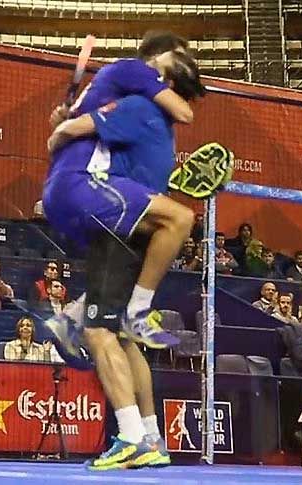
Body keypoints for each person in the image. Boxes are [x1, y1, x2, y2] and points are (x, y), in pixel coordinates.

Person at [42, 50, 206, 470]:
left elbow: (74, 129)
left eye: (158, 69)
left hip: (119, 223)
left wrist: (63, 125)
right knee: (127, 339)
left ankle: (131, 437)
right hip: (138, 225)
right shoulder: (161, 129)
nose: (148, 69)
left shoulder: (137, 106)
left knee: (100, 331)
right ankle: (152, 437)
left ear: (164, 85)